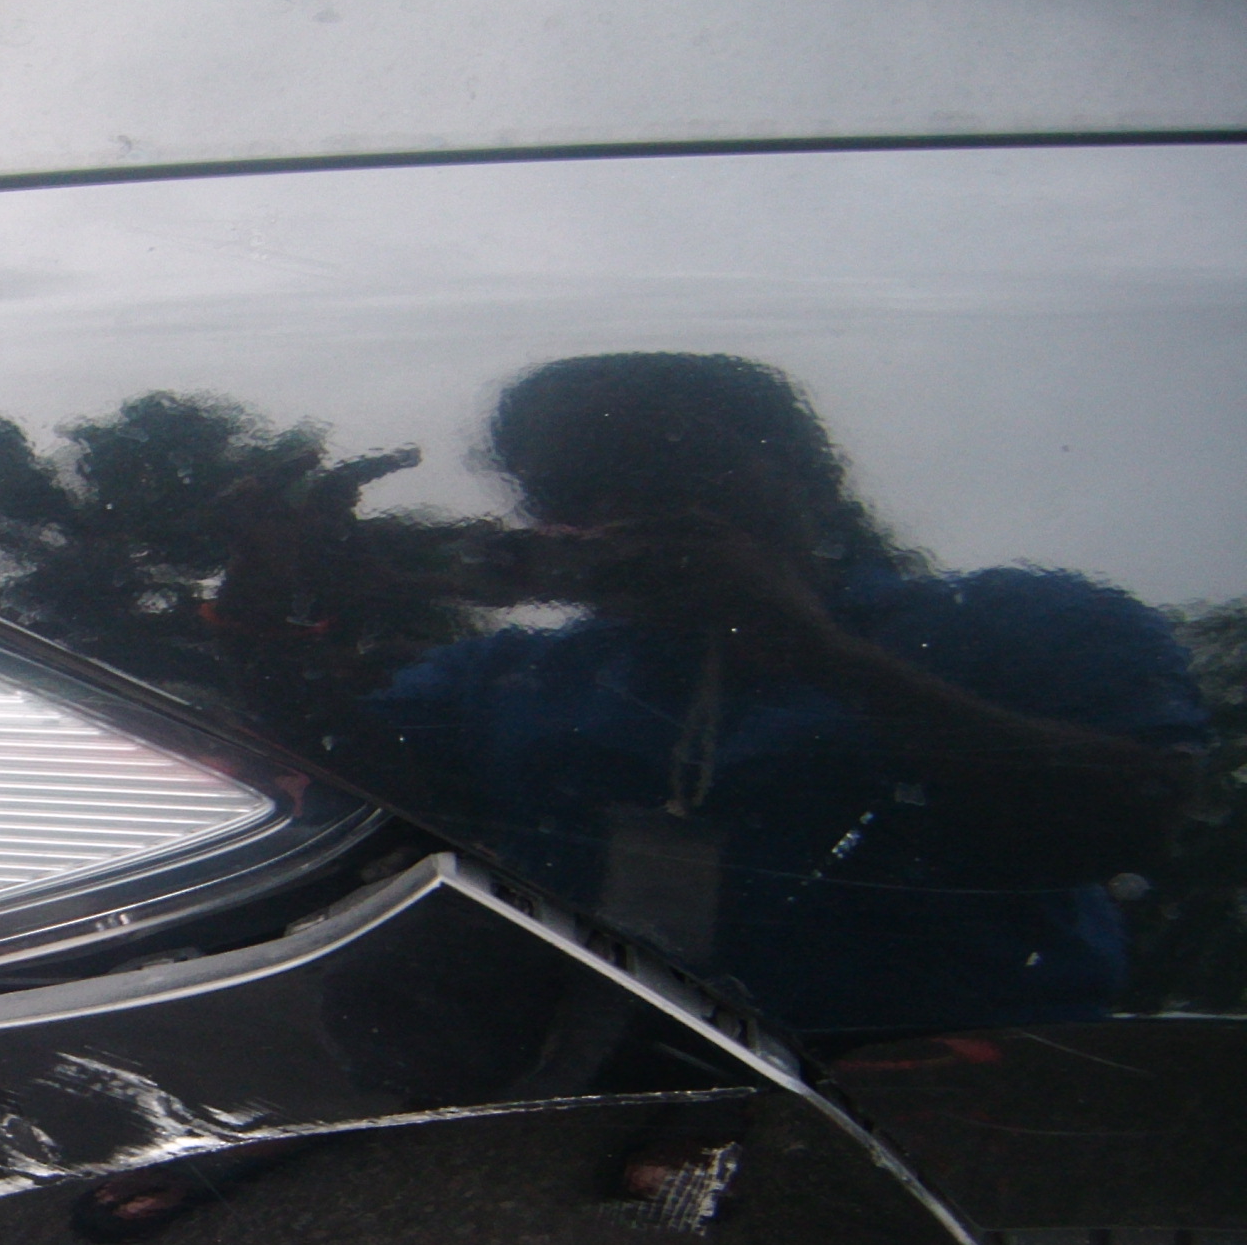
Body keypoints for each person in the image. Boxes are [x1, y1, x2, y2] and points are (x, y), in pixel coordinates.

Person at [362, 352, 1205, 1033]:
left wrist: (822, 654)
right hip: (612, 1096)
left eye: (666, 472)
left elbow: (1142, 820)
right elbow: (333, 814)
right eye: (570, 494)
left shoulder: (1025, 622)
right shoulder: (500, 678)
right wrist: (299, 615)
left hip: (978, 1100)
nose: (620, 513)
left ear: (804, 475)